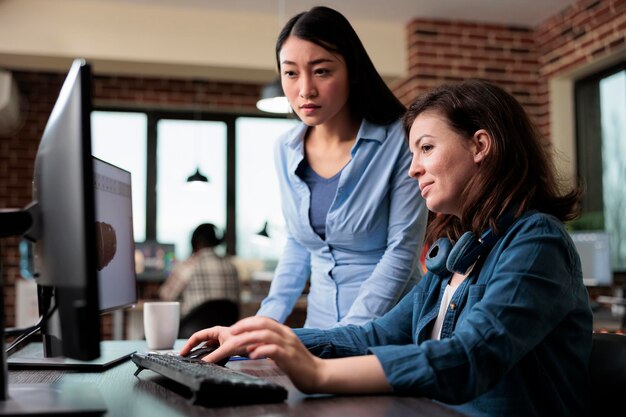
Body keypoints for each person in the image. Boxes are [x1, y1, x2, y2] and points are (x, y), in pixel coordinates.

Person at [181, 80, 593, 417]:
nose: (413, 167)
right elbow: (373, 336)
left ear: (480, 145)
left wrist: (319, 375)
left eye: (426, 148)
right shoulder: (459, 254)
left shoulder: (537, 240)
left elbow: (469, 357)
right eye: (413, 152)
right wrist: (266, 338)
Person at [256, 6, 427, 328]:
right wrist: (263, 324)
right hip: (319, 327)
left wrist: (346, 336)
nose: (305, 89)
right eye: (291, 73)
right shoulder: (285, 148)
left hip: (389, 326)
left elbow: (402, 251)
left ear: (352, 70)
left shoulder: (400, 140)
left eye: (321, 71)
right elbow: (297, 243)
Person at [159, 223, 239, 317]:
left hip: (194, 330)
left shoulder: (188, 266)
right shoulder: (231, 267)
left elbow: (166, 296)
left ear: (195, 242)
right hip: (225, 330)